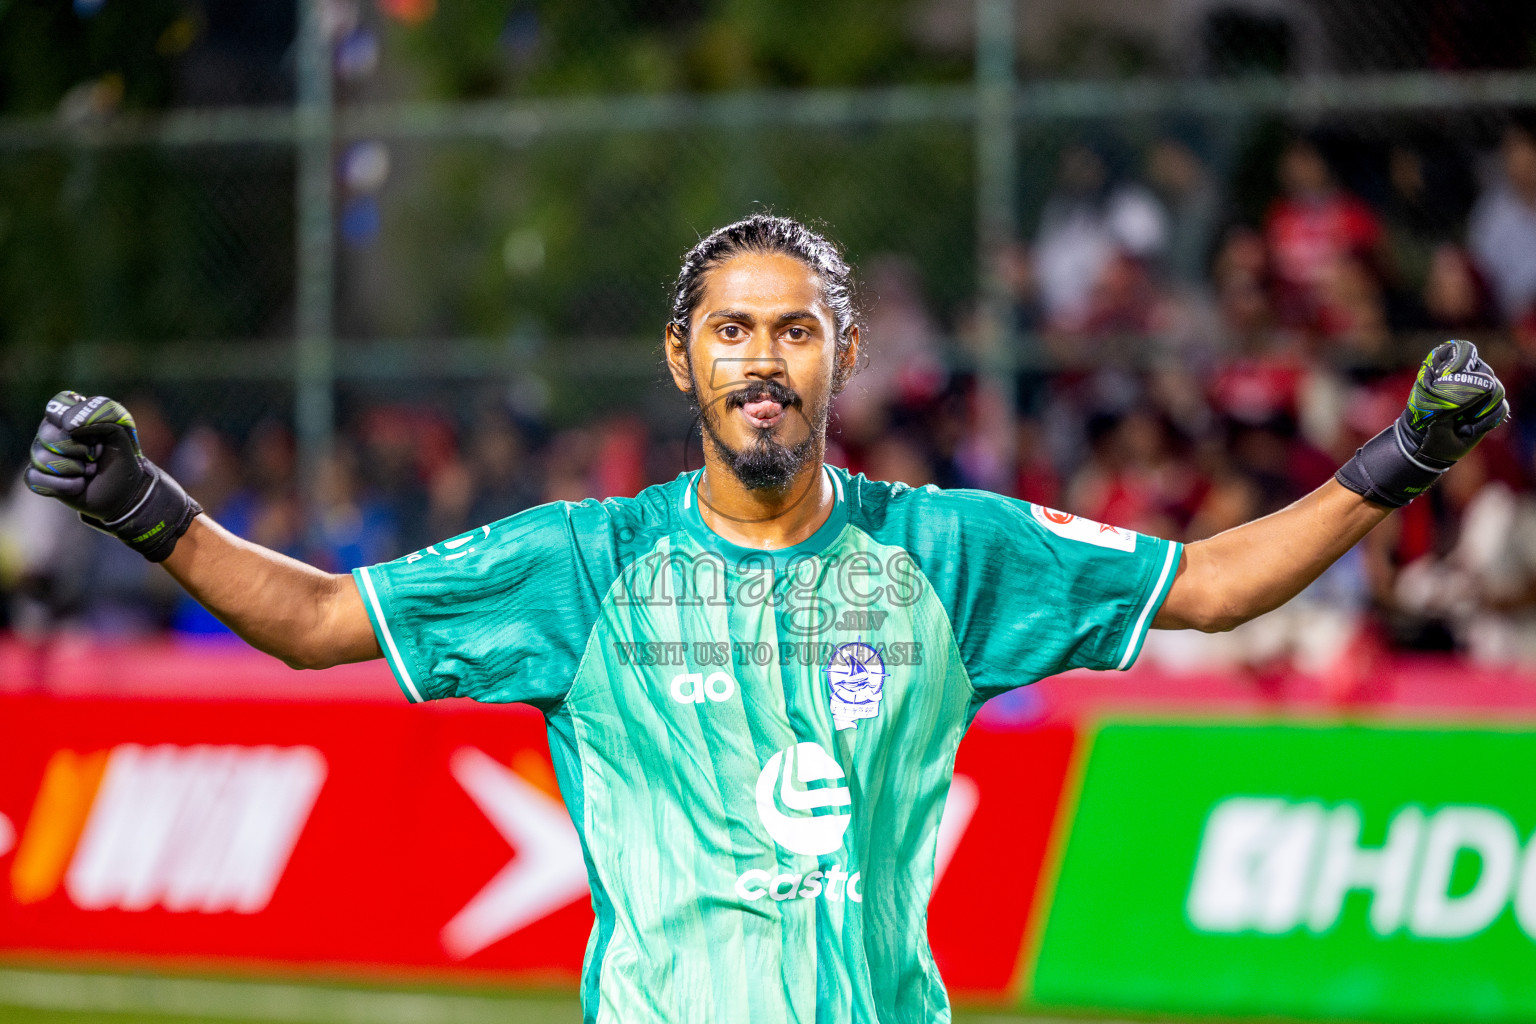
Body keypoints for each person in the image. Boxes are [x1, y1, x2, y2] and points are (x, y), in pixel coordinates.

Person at [23, 215, 1509, 1024]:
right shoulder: (580, 565)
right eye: (732, 328)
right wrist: (149, 505)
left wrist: (1405, 459)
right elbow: (320, 620)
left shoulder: (954, 552)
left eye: (795, 329)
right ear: (685, 360)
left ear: (840, 357)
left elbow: (1213, 584)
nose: (763, 359)